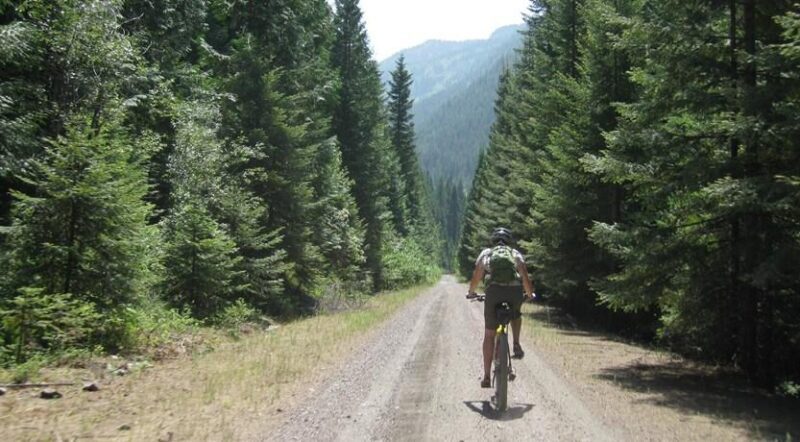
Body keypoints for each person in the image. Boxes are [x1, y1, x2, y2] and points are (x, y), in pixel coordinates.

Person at [467, 227, 535, 388]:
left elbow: (477, 275)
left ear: (493, 241)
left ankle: (486, 377)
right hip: (514, 292)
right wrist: (530, 293)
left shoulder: (487, 253)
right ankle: (516, 343)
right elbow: (524, 274)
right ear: (509, 241)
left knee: (489, 334)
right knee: (516, 313)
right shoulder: (515, 254)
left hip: (494, 292)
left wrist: (471, 292)